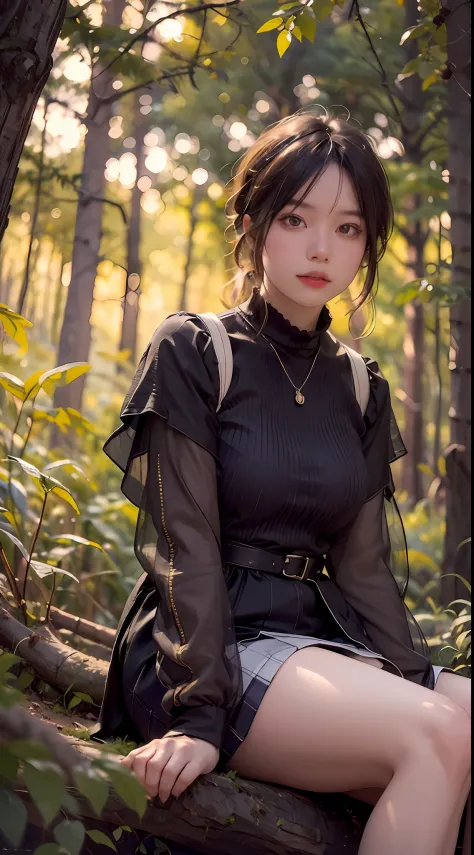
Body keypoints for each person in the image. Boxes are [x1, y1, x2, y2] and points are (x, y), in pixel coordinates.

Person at [91, 113, 471, 855]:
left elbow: (362, 568)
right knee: (439, 732)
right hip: (207, 645)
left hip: (316, 645)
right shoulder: (196, 349)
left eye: (350, 228)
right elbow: (184, 542)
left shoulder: (360, 384)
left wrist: (417, 676)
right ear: (254, 218)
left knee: (457, 716)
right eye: (297, 218)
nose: (322, 247)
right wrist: (196, 715)